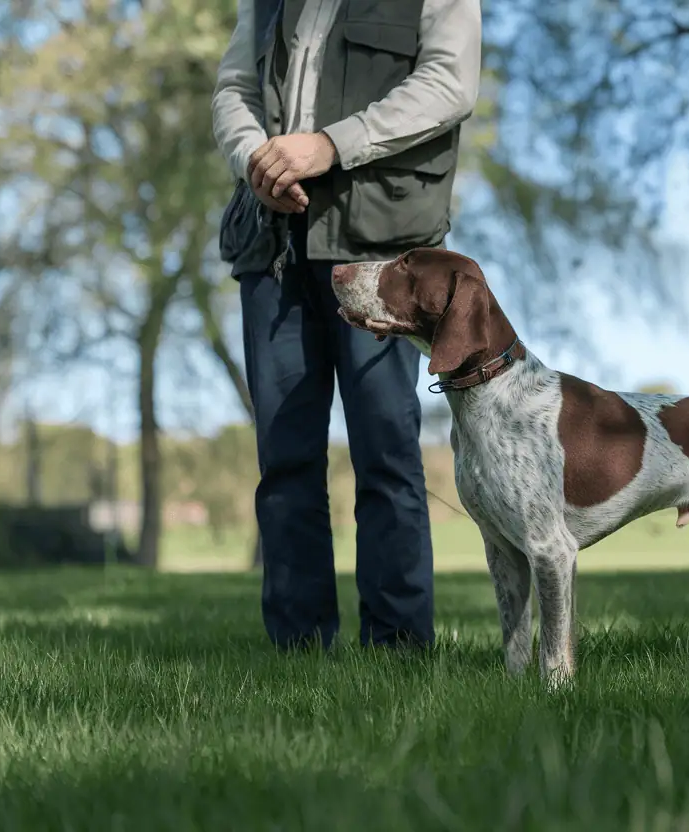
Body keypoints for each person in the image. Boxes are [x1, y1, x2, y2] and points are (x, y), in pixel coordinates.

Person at [211, 0, 481, 651]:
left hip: (382, 248)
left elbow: (449, 83)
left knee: (385, 450)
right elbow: (234, 88)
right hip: (273, 246)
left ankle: (398, 648)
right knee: (284, 455)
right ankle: (297, 647)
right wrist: (257, 161)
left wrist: (329, 146)